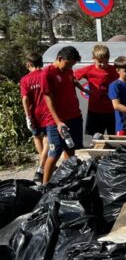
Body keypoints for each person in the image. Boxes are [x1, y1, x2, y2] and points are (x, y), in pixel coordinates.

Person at [40, 46, 83, 184]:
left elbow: (72, 82)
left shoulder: (69, 71)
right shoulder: (47, 73)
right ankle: (45, 185)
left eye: (73, 65)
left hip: (74, 116)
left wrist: (85, 90)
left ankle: (66, 181)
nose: (70, 67)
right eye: (69, 63)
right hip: (55, 121)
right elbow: (48, 99)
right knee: (54, 153)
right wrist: (58, 122)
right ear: (60, 59)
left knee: (71, 151)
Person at [74, 44, 118, 136]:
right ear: (93, 58)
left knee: (114, 136)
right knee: (97, 137)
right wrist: (83, 89)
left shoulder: (114, 70)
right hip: (95, 110)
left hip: (112, 110)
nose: (103, 64)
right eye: (100, 62)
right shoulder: (89, 70)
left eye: (106, 61)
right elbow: (72, 78)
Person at [19, 52, 49, 182]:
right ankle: (44, 165)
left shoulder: (25, 79)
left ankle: (42, 166)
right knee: (48, 139)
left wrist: (27, 116)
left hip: (35, 113)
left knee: (37, 137)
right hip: (49, 112)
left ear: (28, 64)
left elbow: (25, 99)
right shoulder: (47, 75)